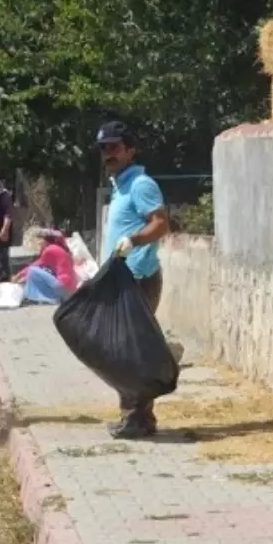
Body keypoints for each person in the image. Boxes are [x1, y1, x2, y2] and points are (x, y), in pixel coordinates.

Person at [97, 120, 171, 440]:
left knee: (131, 350)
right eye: (103, 149)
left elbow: (160, 224)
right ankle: (135, 415)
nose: (107, 155)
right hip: (121, 280)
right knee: (121, 349)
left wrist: (134, 242)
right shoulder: (120, 186)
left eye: (113, 148)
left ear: (130, 150)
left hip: (138, 279)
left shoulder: (141, 184)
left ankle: (139, 418)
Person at [13, 228, 77, 304]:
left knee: (32, 270)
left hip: (63, 288)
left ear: (45, 240)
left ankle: (34, 297)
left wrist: (17, 276)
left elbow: (34, 266)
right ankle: (48, 297)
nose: (38, 243)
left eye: (39, 240)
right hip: (70, 290)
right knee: (39, 272)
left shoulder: (49, 250)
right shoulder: (58, 249)